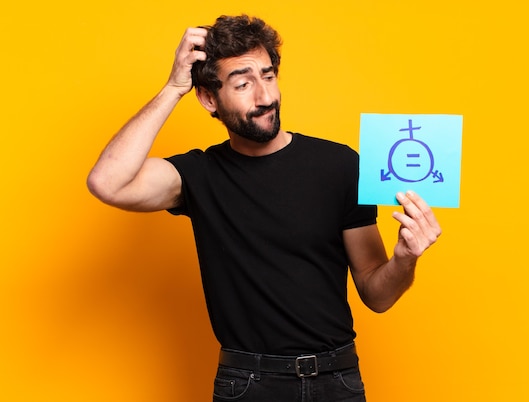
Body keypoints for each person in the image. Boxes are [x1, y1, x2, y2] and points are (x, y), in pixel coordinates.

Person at [87, 14, 441, 402]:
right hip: (249, 383)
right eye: (242, 83)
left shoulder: (341, 165)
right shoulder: (199, 174)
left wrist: (405, 258)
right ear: (209, 98)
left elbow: (377, 294)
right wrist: (173, 87)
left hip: (337, 380)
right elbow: (107, 182)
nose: (264, 96)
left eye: (268, 76)